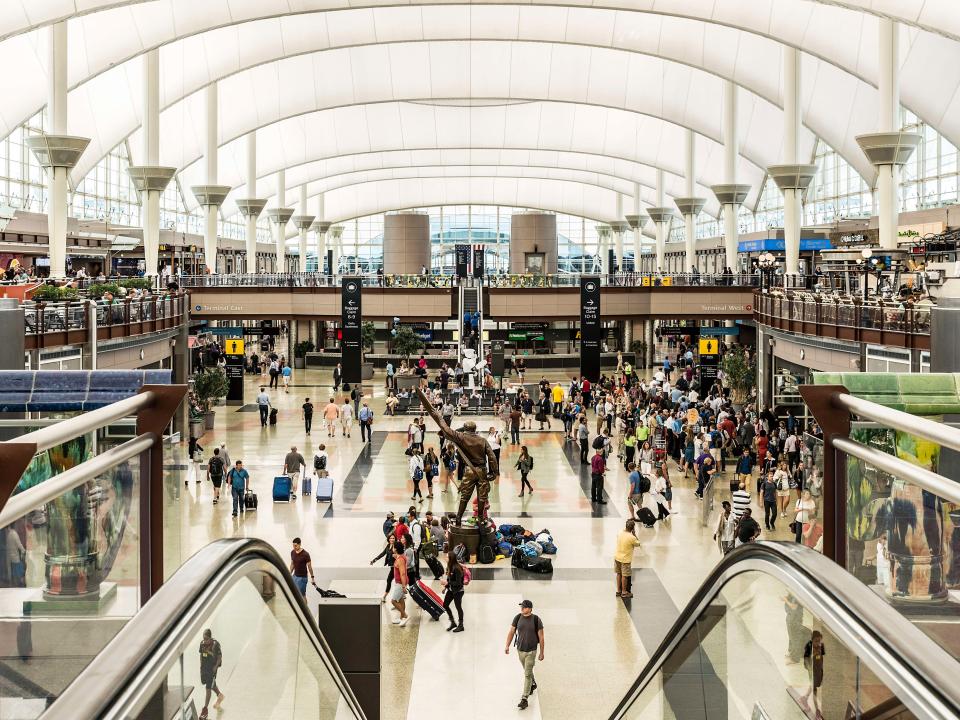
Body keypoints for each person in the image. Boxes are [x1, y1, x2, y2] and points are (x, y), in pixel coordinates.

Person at [505, 599, 544, 711]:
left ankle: (524, 699)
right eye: (521, 606)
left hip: (531, 651)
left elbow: (541, 637)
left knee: (527, 674)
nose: (522, 608)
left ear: (530, 608)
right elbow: (511, 632)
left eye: (524, 607)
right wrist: (507, 645)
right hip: (520, 650)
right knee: (527, 670)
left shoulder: (536, 620)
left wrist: (541, 652)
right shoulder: (517, 617)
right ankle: (533, 684)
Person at [198, 629, 224, 719]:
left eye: (206, 639)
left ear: (210, 637)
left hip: (212, 670)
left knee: (208, 688)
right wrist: (201, 667)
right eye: (204, 638)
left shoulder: (216, 645)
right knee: (212, 685)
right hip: (204, 669)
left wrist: (215, 667)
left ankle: (205, 711)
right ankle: (220, 696)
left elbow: (219, 658)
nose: (205, 640)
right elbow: (201, 655)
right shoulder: (202, 644)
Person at [614, 519, 642, 598]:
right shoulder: (632, 538)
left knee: (618, 573)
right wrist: (634, 534)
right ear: (633, 528)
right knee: (625, 575)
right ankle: (624, 592)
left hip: (617, 557)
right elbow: (638, 543)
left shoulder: (620, 533)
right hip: (625, 559)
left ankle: (618, 591)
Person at [801, 630, 826, 718]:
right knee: (814, 690)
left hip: (818, 672)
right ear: (812, 640)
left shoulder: (821, 646)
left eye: (819, 641)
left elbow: (822, 659)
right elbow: (806, 661)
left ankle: (805, 698)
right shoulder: (808, 647)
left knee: (813, 687)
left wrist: (821, 672)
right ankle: (817, 711)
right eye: (816, 641)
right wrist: (810, 670)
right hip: (812, 672)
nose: (818, 643)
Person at [441, 550, 466, 633]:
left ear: (451, 558)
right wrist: (445, 587)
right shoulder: (449, 566)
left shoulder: (457, 568)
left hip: (458, 591)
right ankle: (453, 622)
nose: (445, 557)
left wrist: (447, 583)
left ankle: (461, 625)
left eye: (447, 556)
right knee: (445, 605)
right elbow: (449, 578)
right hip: (451, 589)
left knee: (458, 607)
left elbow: (459, 583)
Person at [389, 544, 410, 627]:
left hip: (400, 583)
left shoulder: (400, 559)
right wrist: (395, 556)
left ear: (396, 549)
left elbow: (403, 573)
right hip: (400, 582)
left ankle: (404, 615)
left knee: (393, 601)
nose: (393, 548)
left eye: (394, 547)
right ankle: (402, 619)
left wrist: (404, 586)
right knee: (401, 599)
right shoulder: (400, 556)